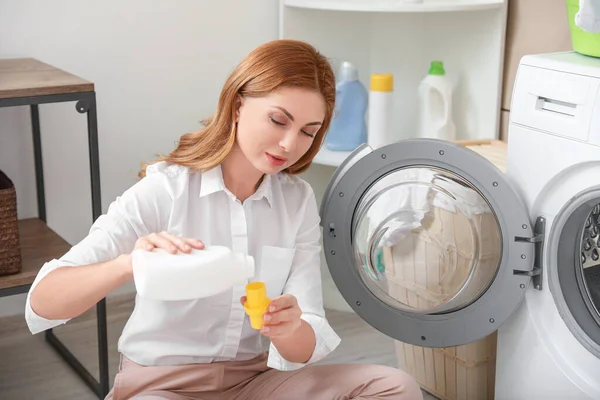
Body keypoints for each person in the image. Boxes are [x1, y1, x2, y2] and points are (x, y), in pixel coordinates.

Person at [25, 39, 423, 400]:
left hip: (255, 382)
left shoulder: (296, 201)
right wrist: (129, 263)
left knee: (393, 387)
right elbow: (43, 301)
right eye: (278, 120)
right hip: (161, 386)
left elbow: (305, 344)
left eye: (307, 131)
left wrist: (289, 329)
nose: (289, 144)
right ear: (237, 106)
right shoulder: (166, 188)